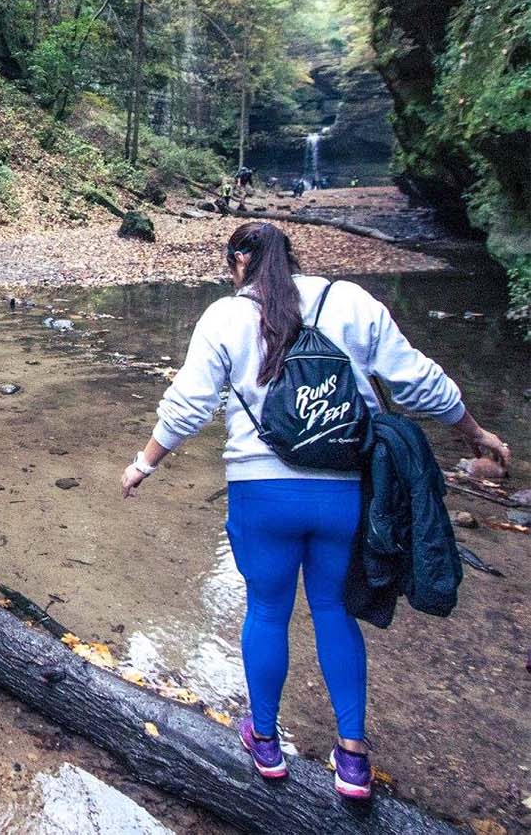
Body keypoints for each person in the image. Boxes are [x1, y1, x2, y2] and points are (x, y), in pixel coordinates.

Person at [118, 222, 512, 799]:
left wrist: (144, 464)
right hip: (344, 494)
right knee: (334, 611)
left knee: (268, 611)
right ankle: (352, 758)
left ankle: (267, 743)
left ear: (239, 264)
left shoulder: (225, 317)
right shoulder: (348, 300)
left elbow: (189, 405)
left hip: (262, 494)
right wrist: (474, 434)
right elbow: (418, 379)